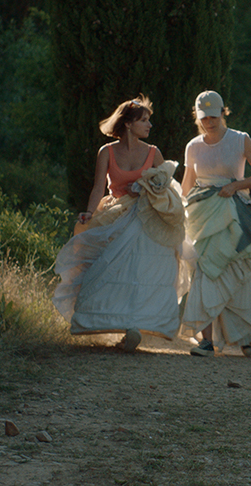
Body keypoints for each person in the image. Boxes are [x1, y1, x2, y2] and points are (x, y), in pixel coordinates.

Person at [53, 95, 191, 352]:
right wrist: (90, 212)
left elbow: (170, 188)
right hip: (116, 213)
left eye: (149, 120)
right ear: (128, 124)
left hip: (147, 217)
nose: (149, 125)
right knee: (109, 269)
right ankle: (118, 323)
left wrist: (148, 189)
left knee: (143, 272)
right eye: (144, 120)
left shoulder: (153, 152)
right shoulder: (106, 152)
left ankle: (134, 327)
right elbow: (97, 188)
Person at [180, 90, 251, 357]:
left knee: (239, 269)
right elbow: (188, 183)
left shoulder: (240, 140)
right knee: (204, 271)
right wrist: (179, 210)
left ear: (223, 112)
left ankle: (247, 337)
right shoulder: (193, 145)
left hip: (233, 212)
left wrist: (236, 185)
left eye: (213, 115)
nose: (209, 121)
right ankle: (206, 341)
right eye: (203, 117)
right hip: (202, 214)